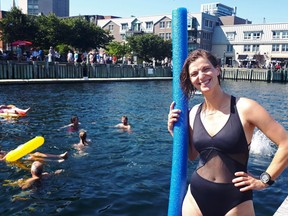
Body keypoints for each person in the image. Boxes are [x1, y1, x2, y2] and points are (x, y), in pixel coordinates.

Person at [167, 49, 288, 216]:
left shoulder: (246, 108)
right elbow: (192, 155)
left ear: (217, 69)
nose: (201, 76)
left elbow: (285, 143)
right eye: (194, 73)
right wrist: (176, 133)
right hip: (196, 196)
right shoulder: (194, 112)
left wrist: (264, 181)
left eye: (206, 69)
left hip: (235, 200)